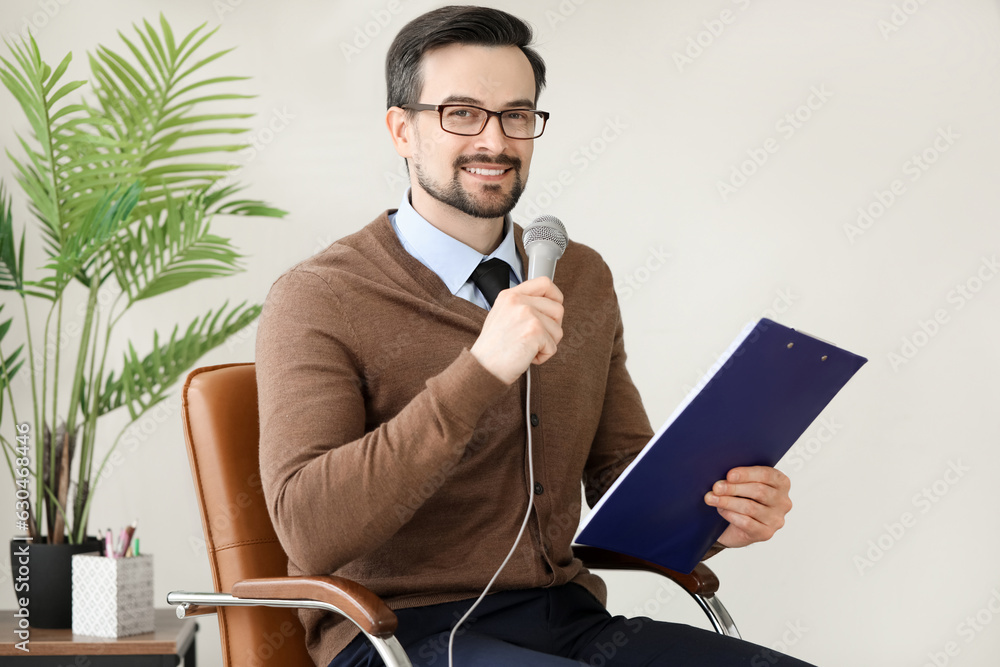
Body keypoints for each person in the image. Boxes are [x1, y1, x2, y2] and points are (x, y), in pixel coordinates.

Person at [256, 6, 813, 667]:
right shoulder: (319, 296)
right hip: (397, 635)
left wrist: (717, 515)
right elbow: (310, 529)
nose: (495, 141)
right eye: (460, 113)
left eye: (516, 115)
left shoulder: (579, 275)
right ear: (401, 130)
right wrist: (482, 368)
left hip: (566, 617)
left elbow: (618, 475)